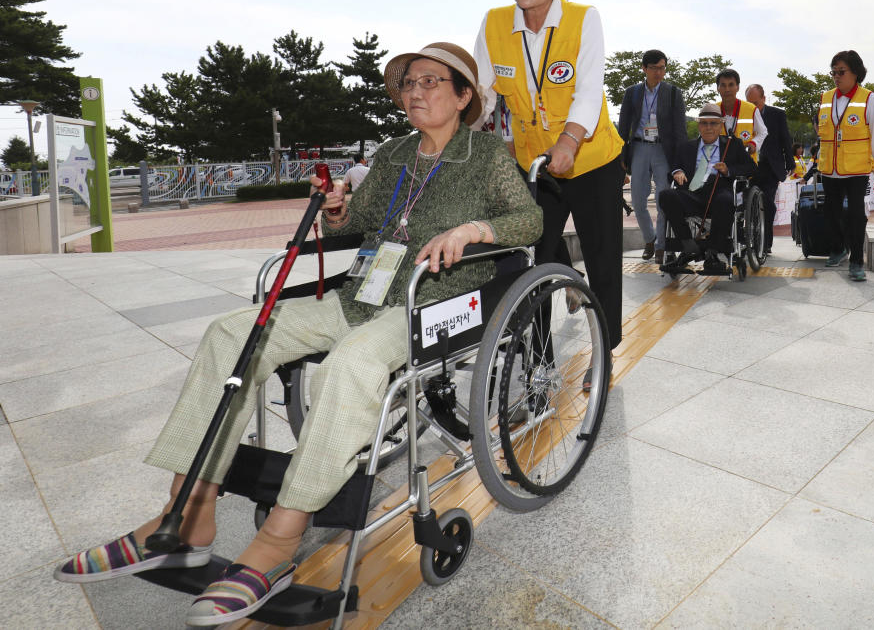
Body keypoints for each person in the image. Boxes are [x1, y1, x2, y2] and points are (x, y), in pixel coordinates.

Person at [53, 42, 542, 625]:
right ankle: (186, 513)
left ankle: (281, 542)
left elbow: (529, 220)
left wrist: (474, 228)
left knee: (351, 366)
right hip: (361, 291)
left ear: (465, 96)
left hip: (433, 300)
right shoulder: (393, 154)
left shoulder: (485, 154)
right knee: (230, 334)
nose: (415, 91)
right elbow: (359, 224)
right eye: (408, 82)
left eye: (431, 82)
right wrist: (338, 209)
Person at [474, 0, 624, 351]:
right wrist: (458, 127)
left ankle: (606, 352)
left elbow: (589, 92)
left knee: (602, 259)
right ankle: (537, 361)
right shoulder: (495, 23)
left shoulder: (583, 19)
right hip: (534, 165)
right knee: (529, 261)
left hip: (591, 159)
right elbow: (482, 93)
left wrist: (570, 140)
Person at [659, 103, 757, 274]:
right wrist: (678, 171)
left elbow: (751, 169)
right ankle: (687, 243)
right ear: (699, 125)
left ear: (721, 125)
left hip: (720, 190)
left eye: (713, 123)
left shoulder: (733, 145)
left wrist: (728, 170)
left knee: (726, 200)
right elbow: (673, 168)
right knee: (666, 195)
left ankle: (713, 253)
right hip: (692, 192)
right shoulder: (686, 147)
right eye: (704, 123)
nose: (709, 127)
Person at [816, 49, 874, 282]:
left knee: (856, 215)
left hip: (856, 168)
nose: (836, 76)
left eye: (841, 72)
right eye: (833, 72)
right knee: (830, 213)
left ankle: (856, 261)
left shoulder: (868, 98)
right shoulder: (826, 98)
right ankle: (838, 248)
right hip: (830, 167)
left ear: (855, 73)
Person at [618, 49, 687, 264]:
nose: (659, 72)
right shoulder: (633, 93)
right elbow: (623, 125)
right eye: (655, 68)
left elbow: (680, 129)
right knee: (637, 200)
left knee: (663, 199)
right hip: (639, 147)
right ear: (644, 69)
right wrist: (621, 155)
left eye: (662, 68)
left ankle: (661, 246)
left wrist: (681, 159)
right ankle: (649, 238)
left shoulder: (673, 93)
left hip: (663, 150)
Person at [745, 83, 793, 254]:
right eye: (749, 104)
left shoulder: (777, 115)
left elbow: (785, 139)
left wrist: (790, 162)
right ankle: (747, 237)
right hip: (749, 167)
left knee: (767, 203)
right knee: (747, 204)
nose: (753, 108)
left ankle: (765, 243)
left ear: (764, 99)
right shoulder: (743, 114)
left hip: (770, 167)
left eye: (756, 103)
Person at [716, 68, 767, 163]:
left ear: (738, 87)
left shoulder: (751, 109)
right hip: (719, 166)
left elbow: (763, 132)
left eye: (731, 85)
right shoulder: (712, 110)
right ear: (718, 88)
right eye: (723, 85)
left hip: (746, 165)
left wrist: (754, 143)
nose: (727, 89)